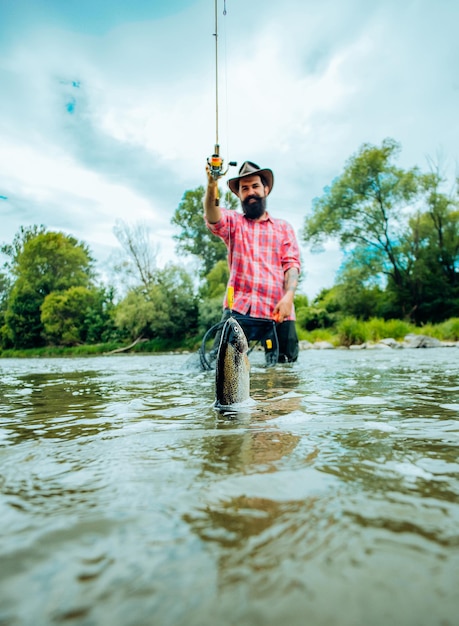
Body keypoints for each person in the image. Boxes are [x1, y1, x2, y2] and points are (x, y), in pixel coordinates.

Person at [204, 160, 301, 363]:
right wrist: (212, 184)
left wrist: (289, 297)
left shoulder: (284, 228)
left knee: (286, 371)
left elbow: (291, 265)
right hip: (238, 308)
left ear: (265, 189)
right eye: (244, 188)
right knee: (216, 367)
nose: (250, 192)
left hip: (278, 310)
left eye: (255, 186)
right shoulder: (233, 222)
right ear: (239, 194)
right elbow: (213, 217)